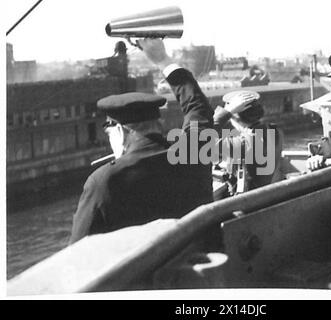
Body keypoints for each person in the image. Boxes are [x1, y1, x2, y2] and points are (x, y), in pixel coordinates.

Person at [69, 38, 216, 244]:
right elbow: (198, 107)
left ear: (119, 131)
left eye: (108, 131)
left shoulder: (104, 181)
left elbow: (77, 253)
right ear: (157, 123)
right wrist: (162, 59)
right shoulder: (194, 152)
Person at [212, 90, 283, 194]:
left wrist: (226, 113)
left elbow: (200, 140)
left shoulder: (245, 143)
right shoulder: (274, 131)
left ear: (235, 117)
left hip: (249, 202)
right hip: (266, 195)